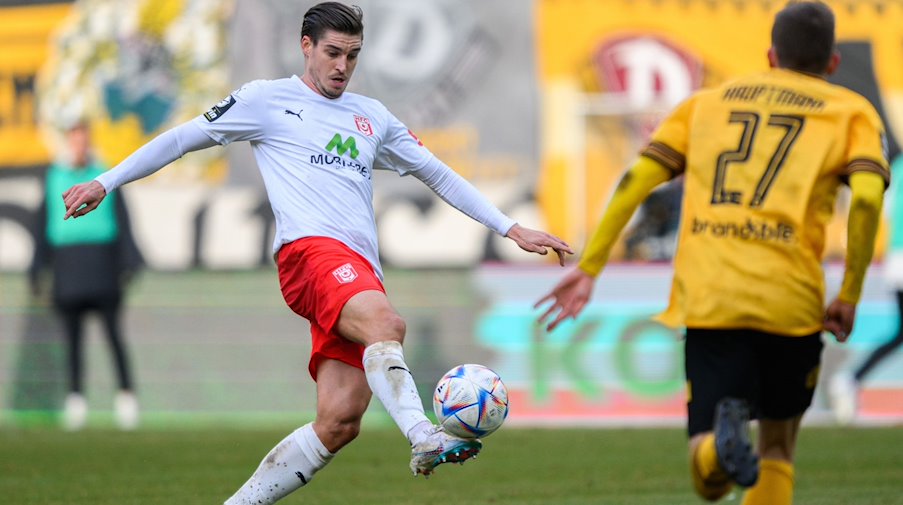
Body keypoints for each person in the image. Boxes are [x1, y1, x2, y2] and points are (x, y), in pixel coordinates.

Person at [60, 3, 572, 503]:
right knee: (386, 325)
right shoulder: (266, 100)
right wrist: (105, 181)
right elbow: (181, 139)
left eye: (352, 55)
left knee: (340, 420)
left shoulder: (371, 116)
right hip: (309, 256)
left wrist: (511, 227)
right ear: (305, 46)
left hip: (356, 270)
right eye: (332, 52)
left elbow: (436, 172)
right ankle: (423, 434)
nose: (342, 66)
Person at [535, 2, 888, 504]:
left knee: (709, 482)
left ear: (770, 54)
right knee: (777, 450)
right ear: (832, 62)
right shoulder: (851, 111)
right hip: (791, 299)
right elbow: (870, 197)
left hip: (712, 296)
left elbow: (637, 179)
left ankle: (716, 451)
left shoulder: (706, 104)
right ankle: (731, 450)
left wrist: (591, 266)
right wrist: (850, 293)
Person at [30, 120, 144, 431]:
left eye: (84, 141)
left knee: (113, 337)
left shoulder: (103, 176)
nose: (80, 147)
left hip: (102, 267)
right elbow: (42, 226)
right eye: (75, 141)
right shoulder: (54, 178)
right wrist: (37, 267)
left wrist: (131, 260)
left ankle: (126, 400)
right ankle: (76, 401)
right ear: (69, 143)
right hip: (68, 270)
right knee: (73, 341)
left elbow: (123, 221)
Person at [829, 154, 903, 424]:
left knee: (900, 334)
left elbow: (884, 209)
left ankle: (850, 380)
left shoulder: (897, 166)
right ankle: (849, 380)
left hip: (896, 259)